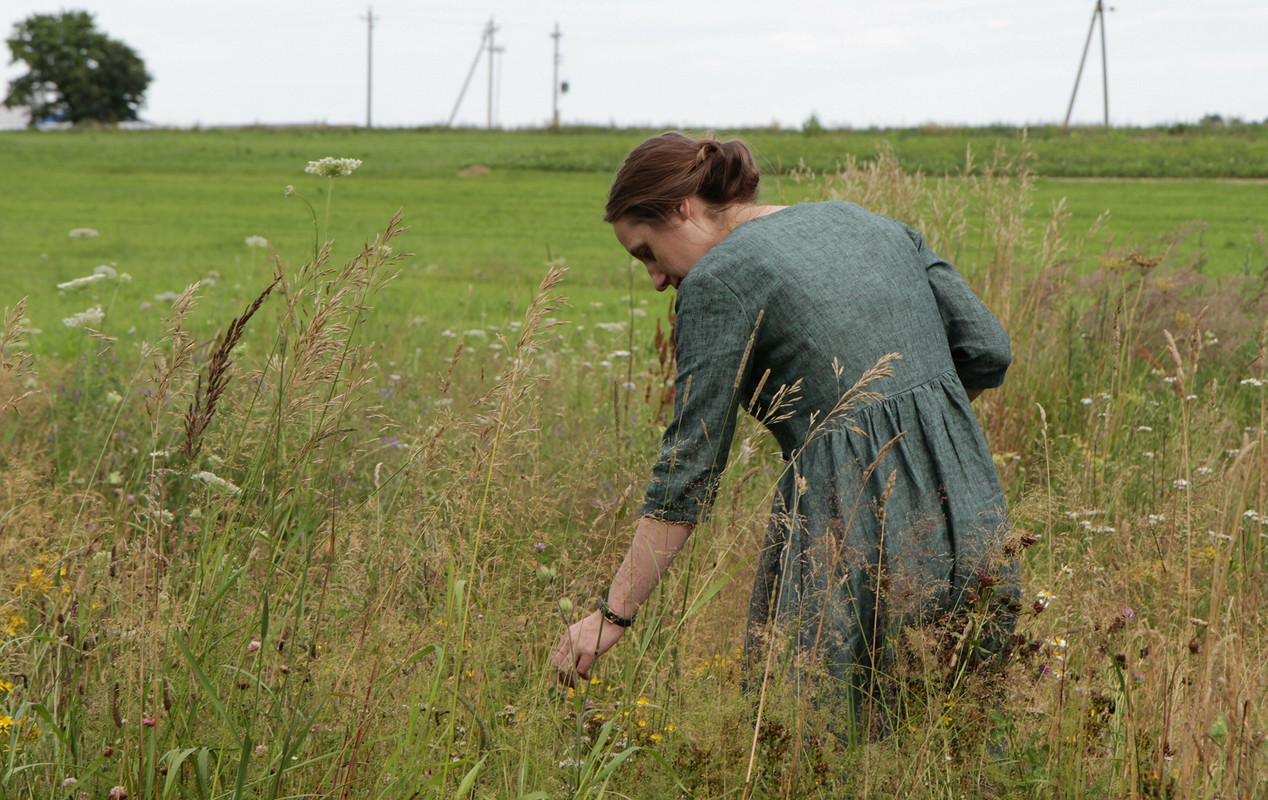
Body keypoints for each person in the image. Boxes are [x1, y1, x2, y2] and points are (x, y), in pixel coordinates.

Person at [550, 131, 1017, 733]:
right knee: (962, 737)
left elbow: (688, 470)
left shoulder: (719, 280)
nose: (656, 279)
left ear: (682, 209)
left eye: (646, 251)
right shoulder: (865, 222)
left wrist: (611, 617)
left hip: (853, 523)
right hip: (975, 510)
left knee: (819, 740)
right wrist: (920, 428)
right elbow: (988, 351)